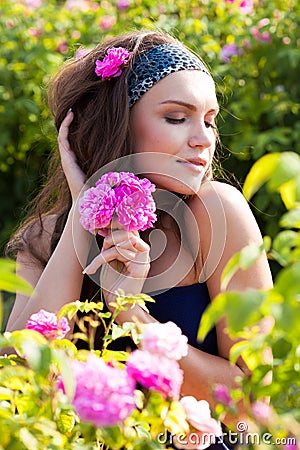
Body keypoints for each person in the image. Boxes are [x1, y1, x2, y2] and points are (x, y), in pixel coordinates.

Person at [5, 30, 273, 448]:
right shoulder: (43, 235)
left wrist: (130, 312)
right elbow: (19, 386)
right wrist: (85, 211)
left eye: (209, 119)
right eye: (176, 117)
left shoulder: (216, 213)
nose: (204, 139)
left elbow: (254, 405)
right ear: (115, 125)